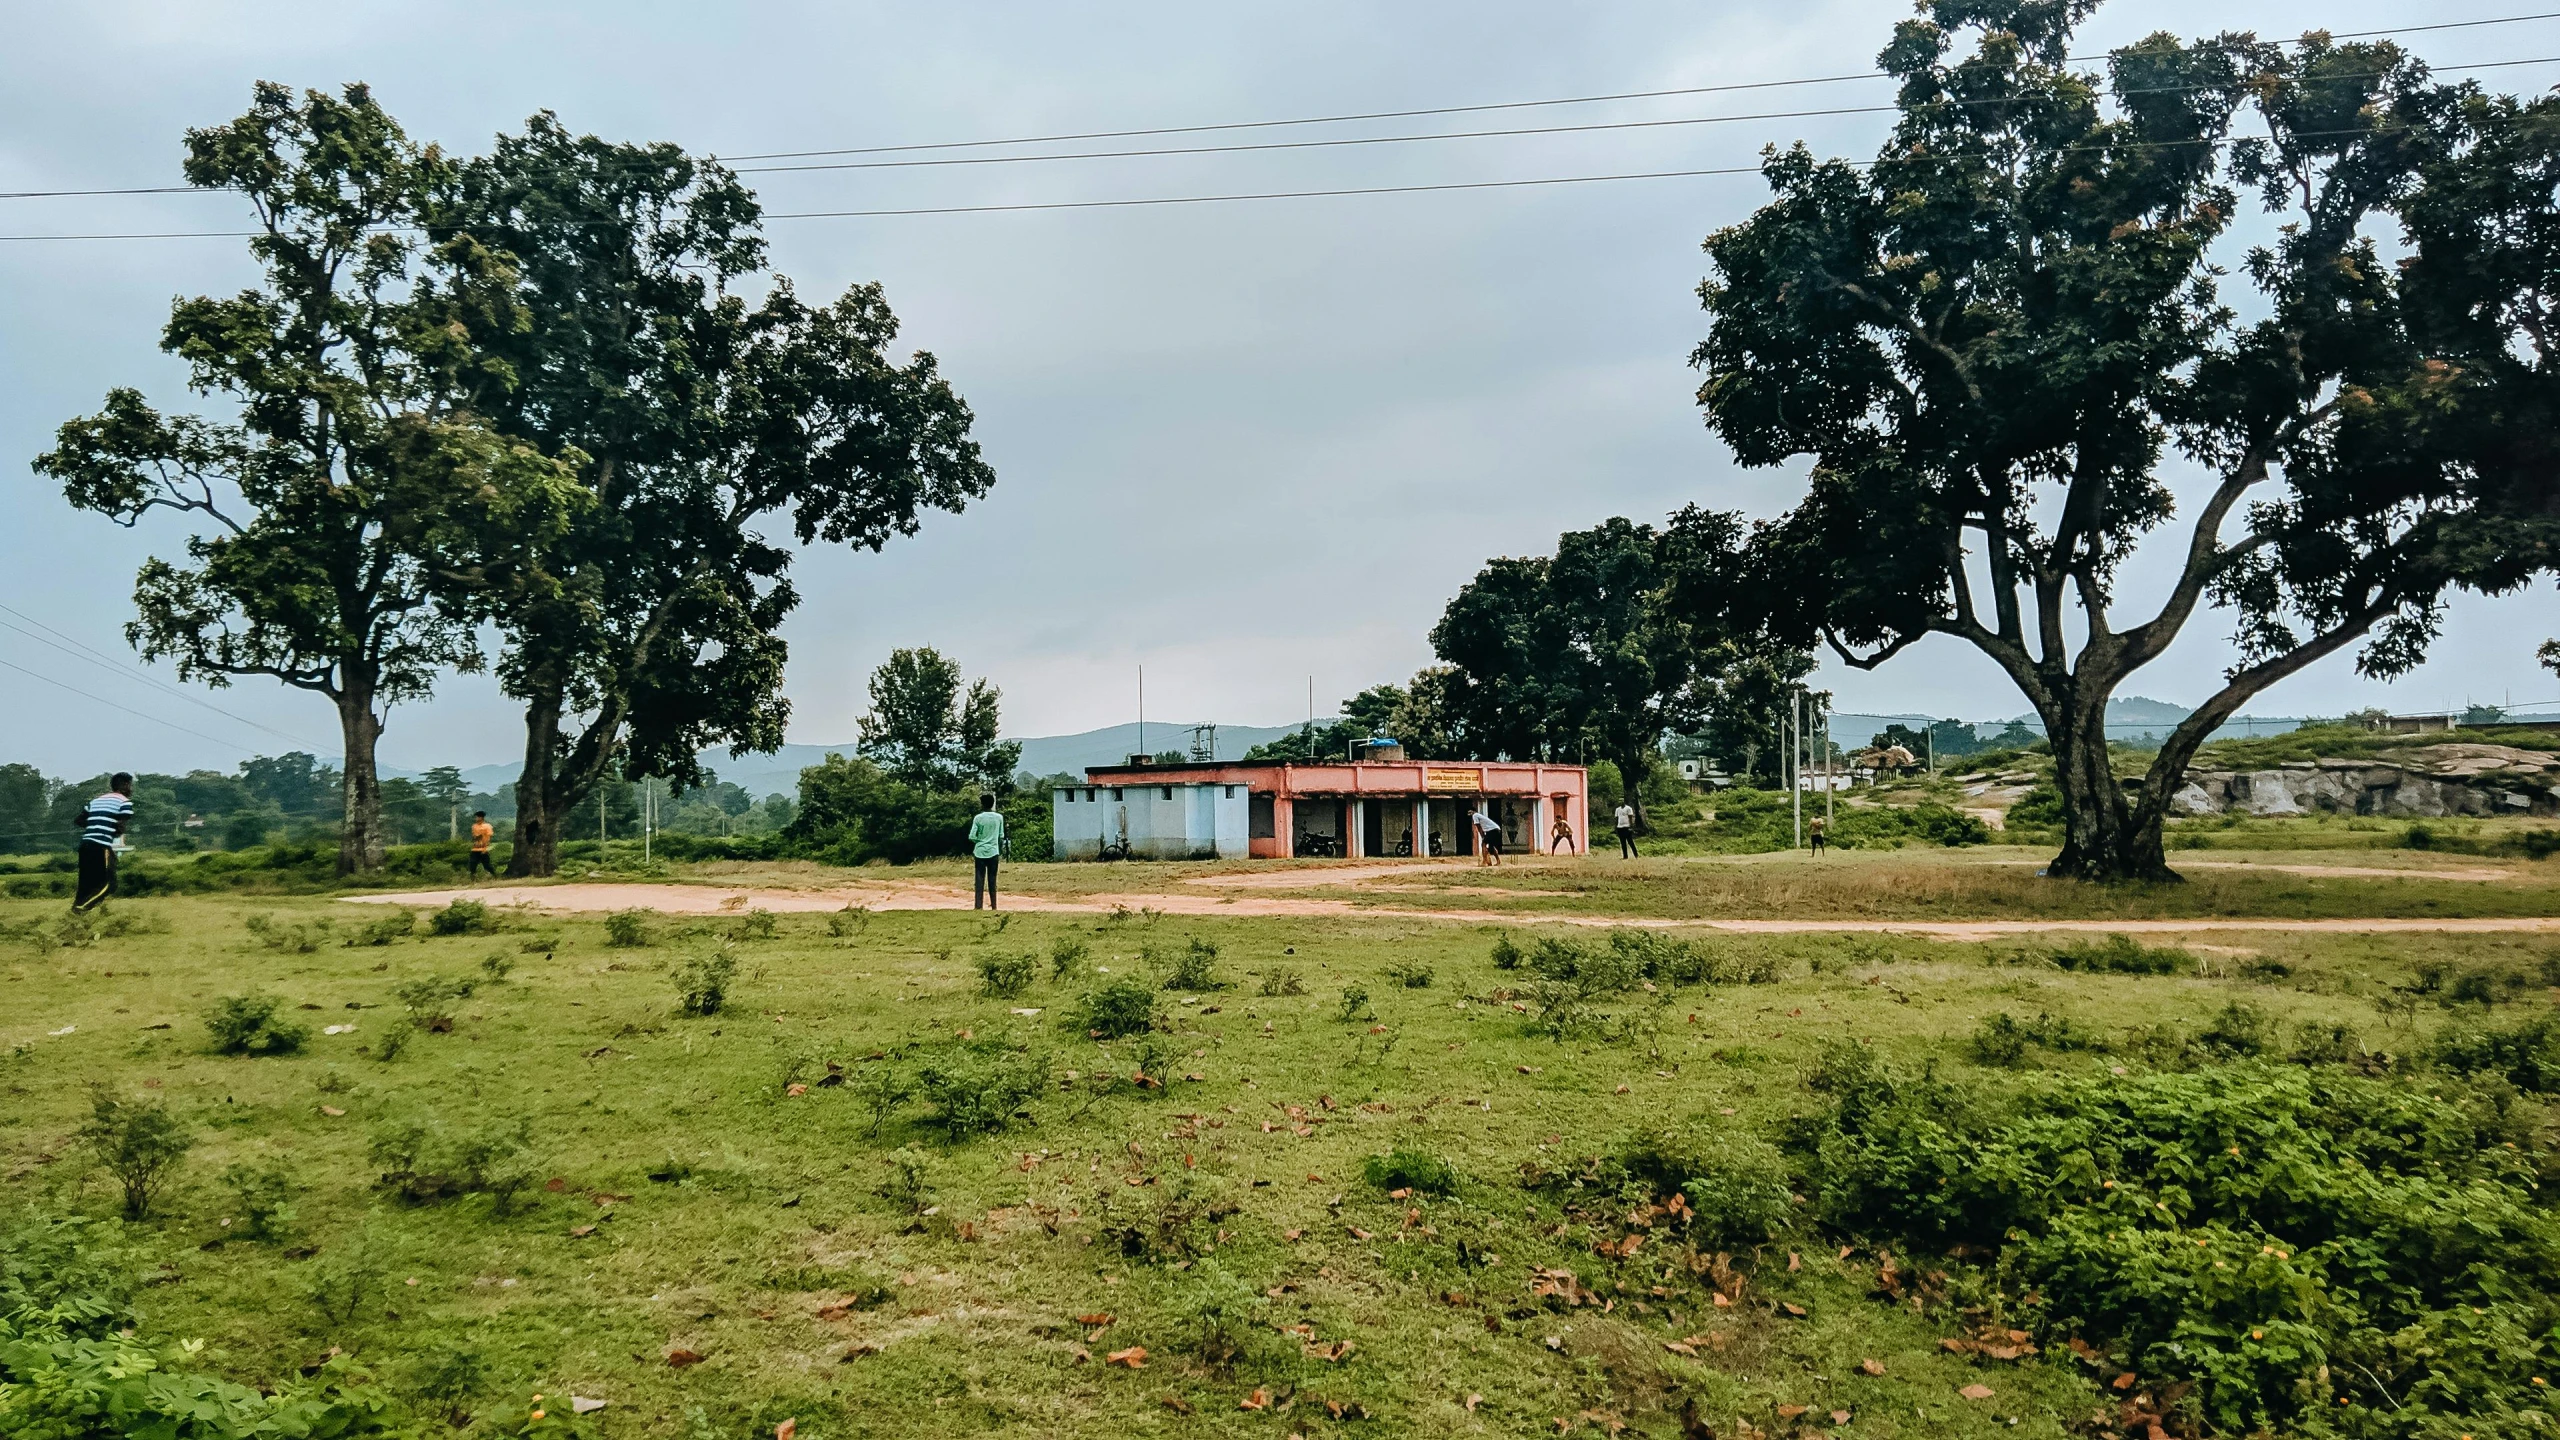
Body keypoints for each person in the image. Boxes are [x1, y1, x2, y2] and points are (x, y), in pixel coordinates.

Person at [72, 773, 135, 913]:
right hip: (100, 846)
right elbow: (121, 825)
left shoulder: (96, 801)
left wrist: (96, 823)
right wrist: (114, 830)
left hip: (85, 845)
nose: (131, 789)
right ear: (125, 785)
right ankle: (82, 909)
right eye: (130, 785)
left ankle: (75, 917)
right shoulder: (125, 802)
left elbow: (79, 820)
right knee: (109, 885)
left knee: (85, 885)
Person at [968, 793, 1005, 910]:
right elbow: (1001, 836)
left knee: (979, 880)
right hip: (993, 851)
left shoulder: (978, 818)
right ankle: (994, 906)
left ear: (982, 804)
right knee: (992, 880)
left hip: (980, 851)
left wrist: (980, 840)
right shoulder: (999, 818)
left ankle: (978, 906)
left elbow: (972, 836)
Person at [467, 810, 497, 878]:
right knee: (472, 864)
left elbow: (489, 836)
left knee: (487, 865)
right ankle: (473, 878)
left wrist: (486, 847)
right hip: (475, 848)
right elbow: (474, 836)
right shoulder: (474, 826)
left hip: (483, 848)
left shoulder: (487, 826)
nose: (476, 819)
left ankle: (495, 876)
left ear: (481, 818)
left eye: (477, 817)